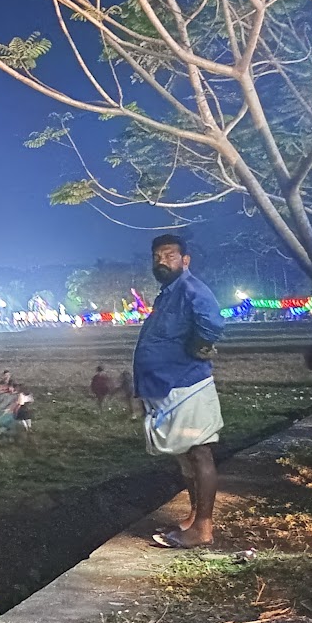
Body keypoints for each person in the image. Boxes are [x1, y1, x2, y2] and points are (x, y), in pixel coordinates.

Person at [136, 234, 225, 549]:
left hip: (187, 384)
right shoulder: (167, 293)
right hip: (167, 387)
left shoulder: (191, 289)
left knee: (199, 452)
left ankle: (203, 528)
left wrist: (199, 347)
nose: (162, 260)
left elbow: (212, 323)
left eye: (170, 255)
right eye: (157, 255)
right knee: (186, 457)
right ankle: (194, 515)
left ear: (185, 260)